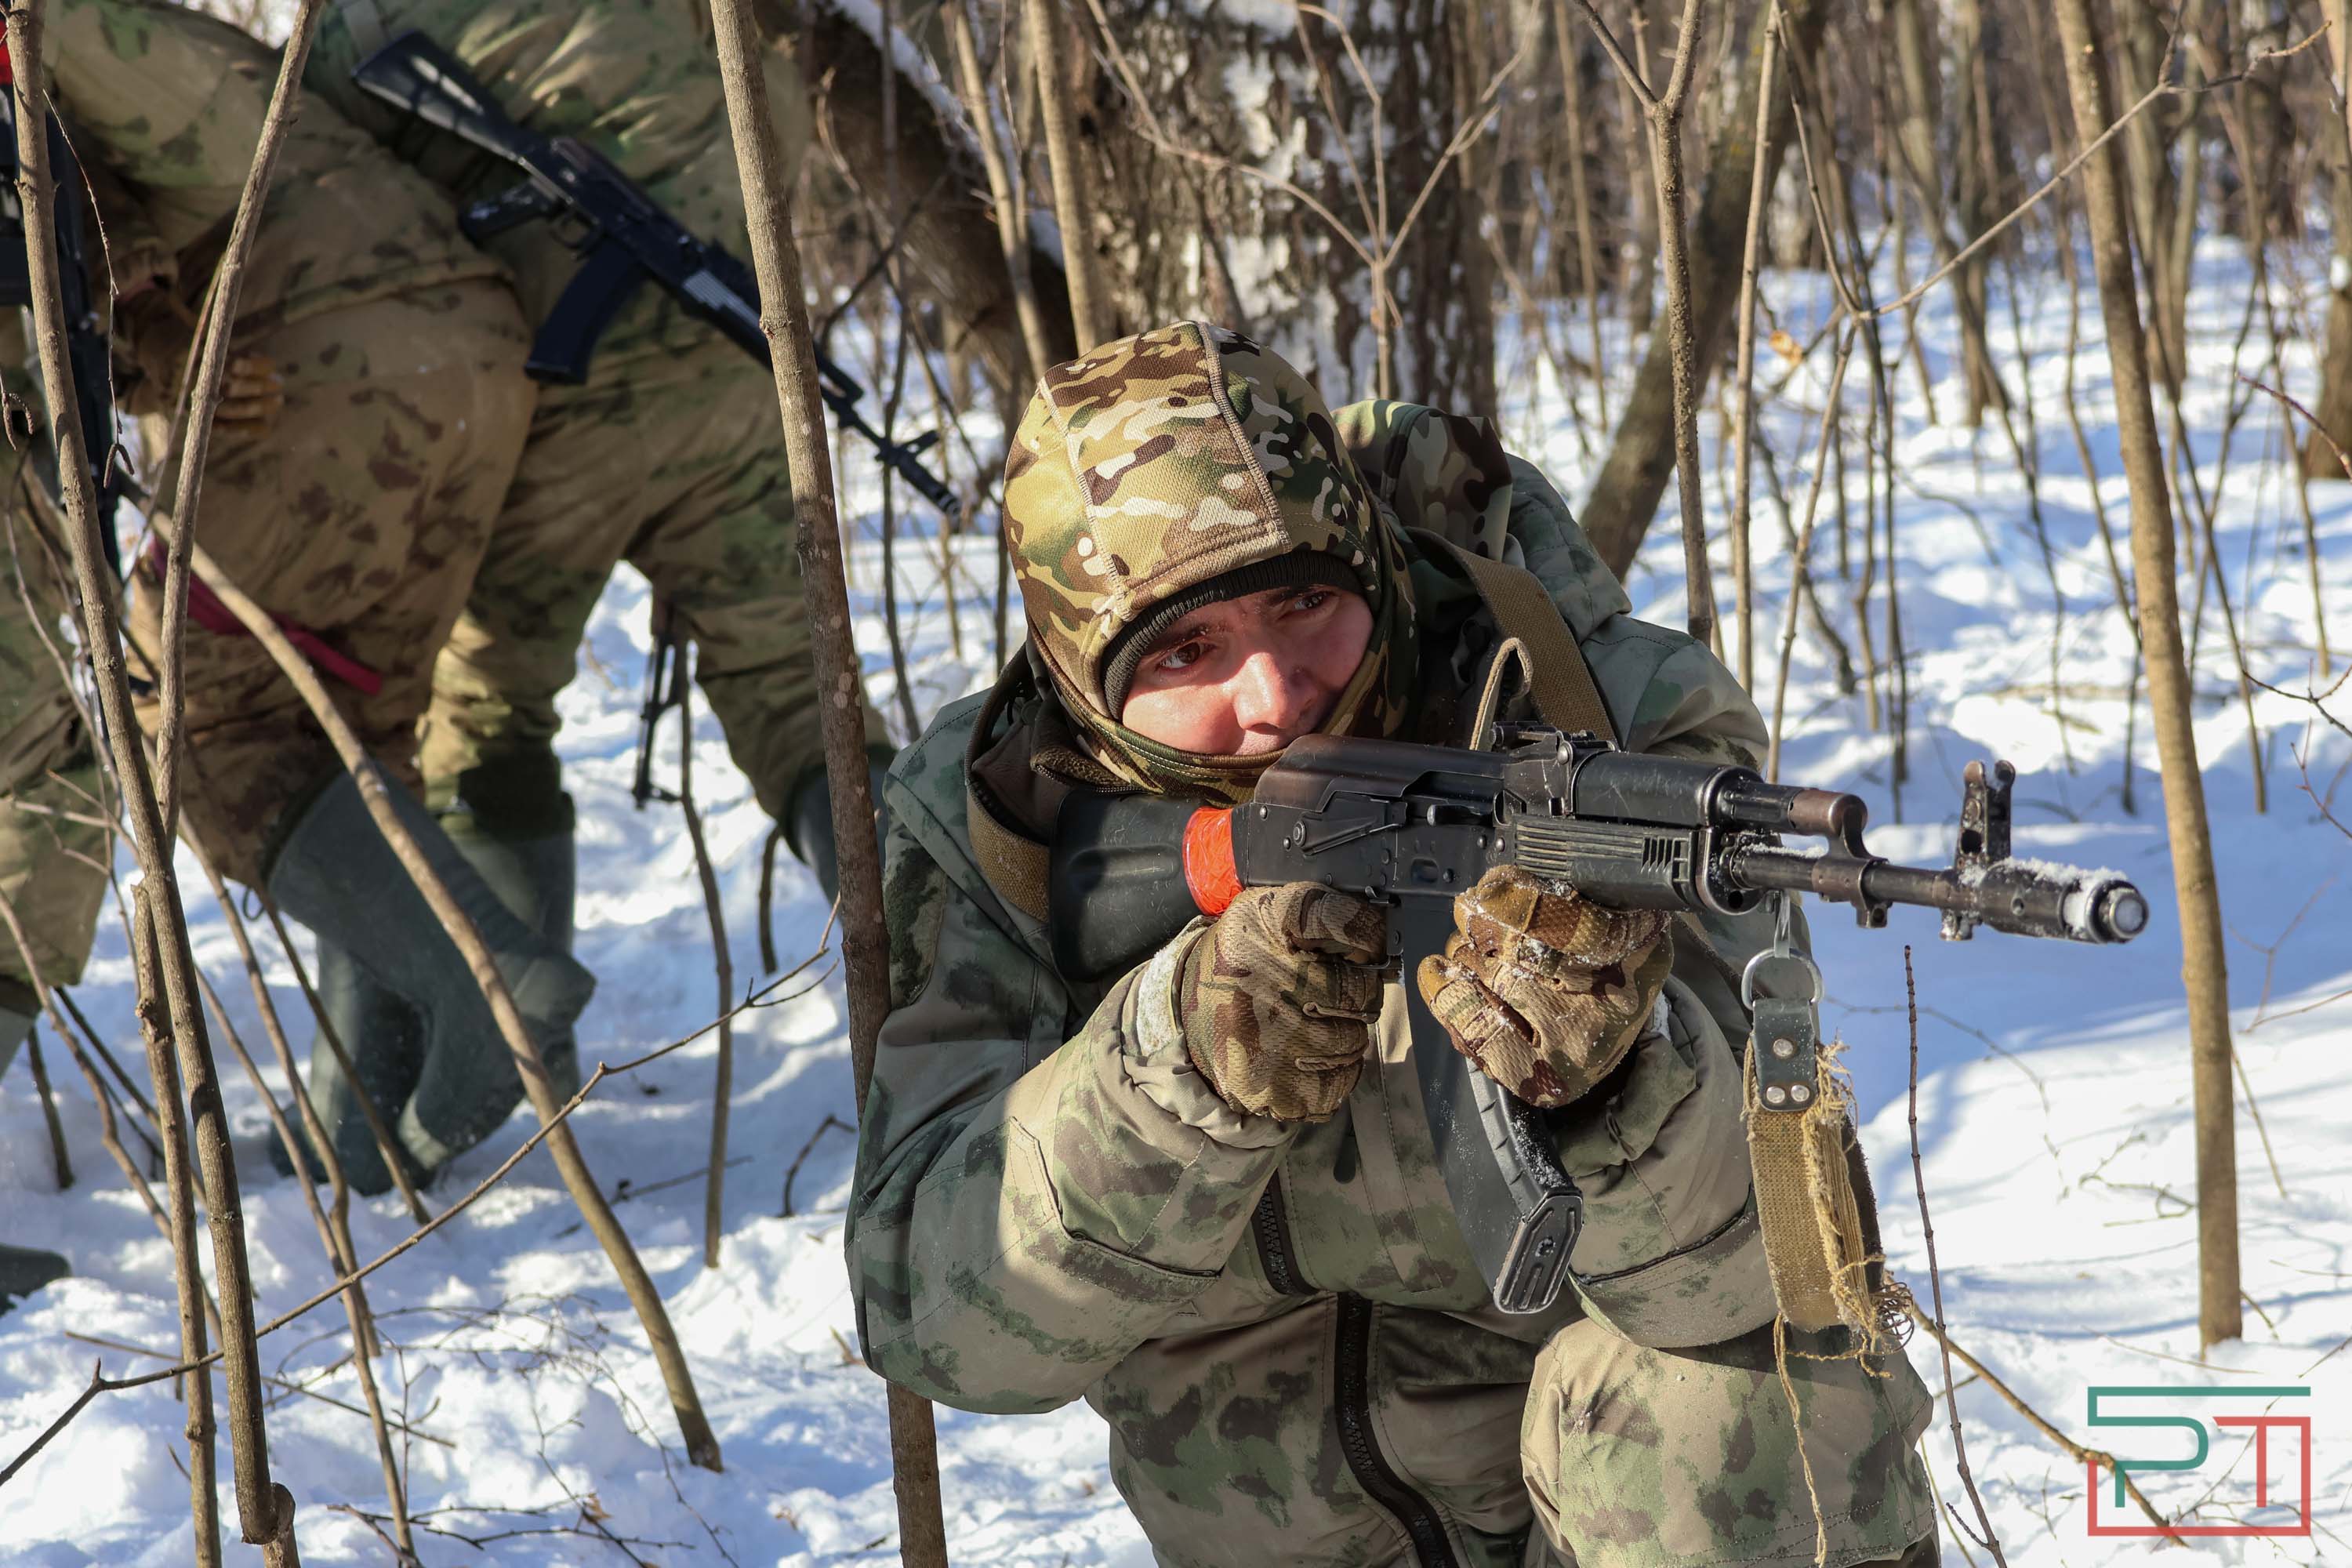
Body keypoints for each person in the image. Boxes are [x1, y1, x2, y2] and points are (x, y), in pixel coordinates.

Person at [848, 322, 1941, 1567]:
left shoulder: (1605, 721)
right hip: (1259, 1515)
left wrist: (1619, 1087)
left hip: (1626, 1502)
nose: (1275, 693)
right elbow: (940, 1325)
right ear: (1081, 679)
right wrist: (1178, 1073)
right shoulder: (1011, 819)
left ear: (1370, 559)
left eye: (1308, 600)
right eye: (1184, 651)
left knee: (1742, 1409)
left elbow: (1768, 1282)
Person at [22, 0, 591, 1196]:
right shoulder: (135, 28)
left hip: (317, 372)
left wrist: (156, 346)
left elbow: (114, 220)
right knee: (344, 731)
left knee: (204, 731)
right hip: (474, 356)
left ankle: (493, 990)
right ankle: (360, 1123)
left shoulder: (37, 33)